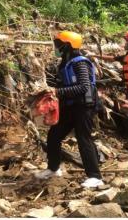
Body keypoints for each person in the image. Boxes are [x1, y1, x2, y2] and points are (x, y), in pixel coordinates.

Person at [35, 31, 104, 188]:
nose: (56, 47)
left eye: (58, 45)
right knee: (54, 135)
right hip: (70, 107)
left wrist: (58, 92)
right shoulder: (65, 63)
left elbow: (83, 87)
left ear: (67, 46)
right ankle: (53, 168)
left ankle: (95, 176)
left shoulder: (81, 63)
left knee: (83, 139)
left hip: (84, 108)